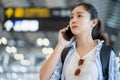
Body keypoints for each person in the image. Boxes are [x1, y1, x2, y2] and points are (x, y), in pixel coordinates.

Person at [40, 2, 120, 80]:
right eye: (71, 17)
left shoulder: (105, 53)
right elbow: (43, 78)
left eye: (79, 16)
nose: (73, 20)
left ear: (93, 22)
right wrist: (60, 45)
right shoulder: (66, 53)